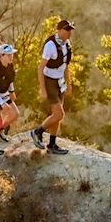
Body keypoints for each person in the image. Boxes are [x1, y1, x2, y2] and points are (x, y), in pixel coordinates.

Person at [31, 19, 75, 155]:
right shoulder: (50, 45)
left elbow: (65, 66)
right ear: (59, 30)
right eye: (67, 30)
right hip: (49, 81)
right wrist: (42, 89)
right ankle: (37, 132)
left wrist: (68, 84)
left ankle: (52, 143)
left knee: (57, 115)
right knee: (59, 114)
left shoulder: (67, 44)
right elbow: (40, 68)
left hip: (60, 81)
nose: (69, 33)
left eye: (70, 30)